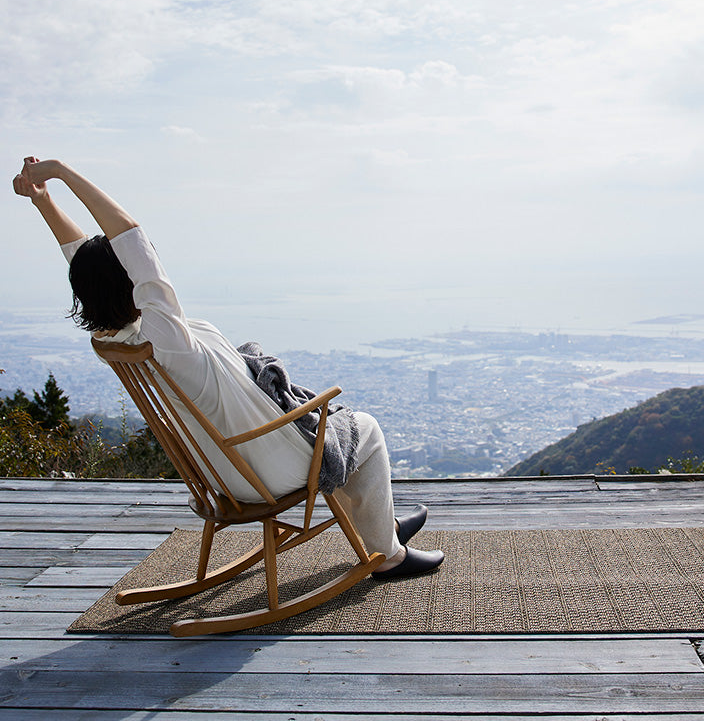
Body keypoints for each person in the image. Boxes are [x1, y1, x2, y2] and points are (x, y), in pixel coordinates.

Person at [12, 156, 444, 578]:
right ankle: (388, 555)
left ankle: (379, 528)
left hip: (220, 474)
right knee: (364, 427)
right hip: (267, 471)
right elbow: (132, 240)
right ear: (130, 281)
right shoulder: (167, 339)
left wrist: (43, 202)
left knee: (337, 430)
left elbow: (84, 262)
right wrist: (63, 173)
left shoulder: (119, 338)